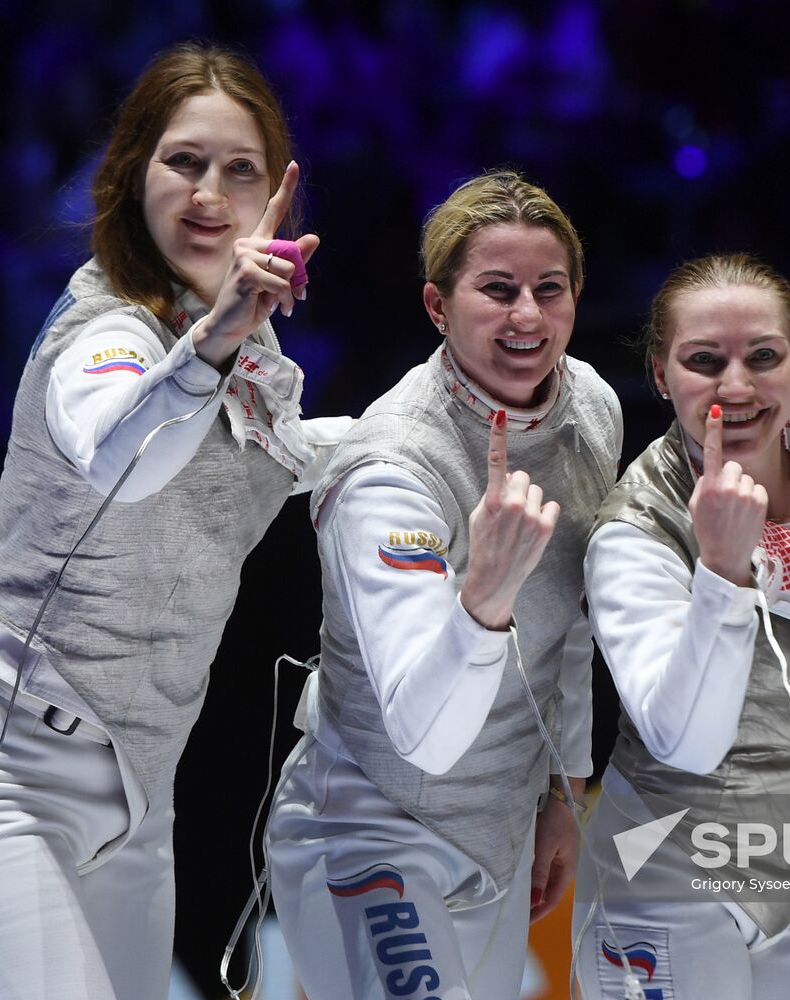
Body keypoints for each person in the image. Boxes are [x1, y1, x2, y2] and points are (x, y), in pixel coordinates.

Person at [0, 42, 346, 1000]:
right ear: (133, 172)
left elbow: (301, 454)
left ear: (279, 200)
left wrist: (452, 422)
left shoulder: (248, 359)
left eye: (240, 170)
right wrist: (216, 335)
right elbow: (121, 457)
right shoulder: (106, 330)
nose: (208, 194)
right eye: (183, 161)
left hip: (137, 808)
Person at [264, 169, 622, 1000]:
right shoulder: (393, 469)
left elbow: (572, 619)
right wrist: (485, 596)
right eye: (497, 291)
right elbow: (422, 734)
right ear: (437, 307)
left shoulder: (592, 408)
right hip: (370, 828)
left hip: (498, 828)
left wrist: (563, 791)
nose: (527, 316)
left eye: (549, 289)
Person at [572, 254, 790, 1000]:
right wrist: (720, 572)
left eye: (762, 356)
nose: (737, 387)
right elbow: (683, 740)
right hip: (664, 867)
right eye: (703, 361)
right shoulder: (637, 531)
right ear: (660, 374)